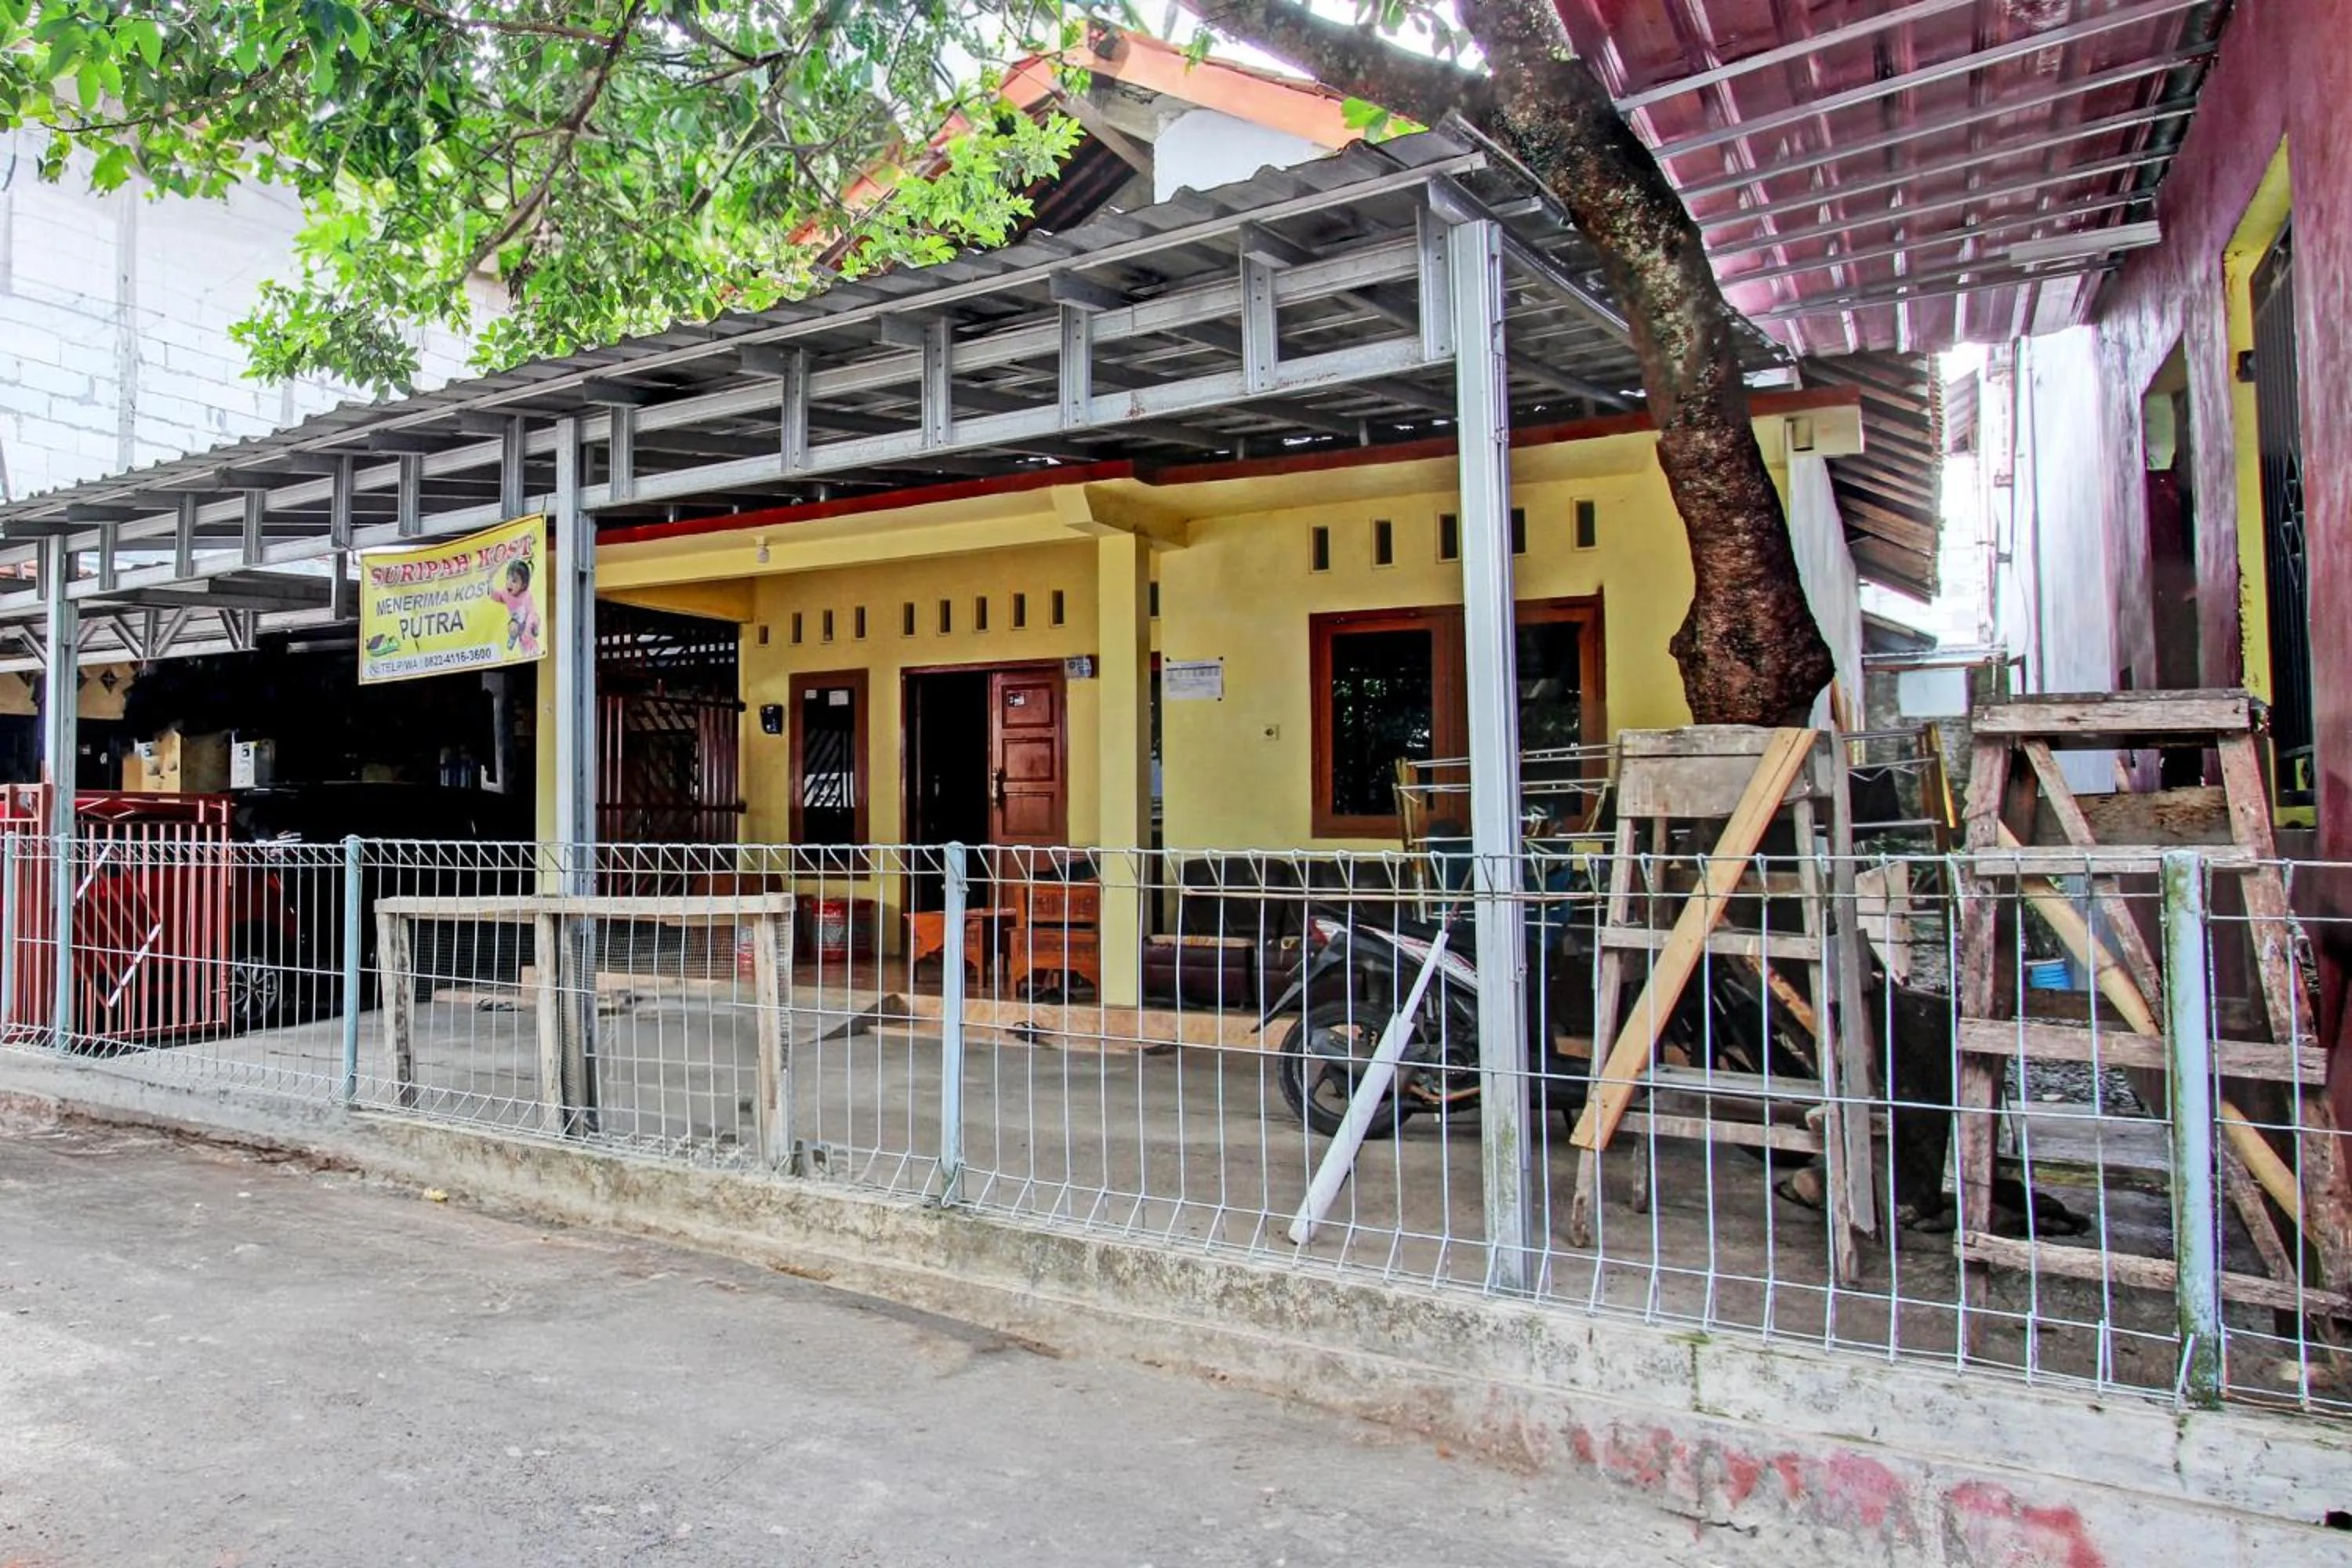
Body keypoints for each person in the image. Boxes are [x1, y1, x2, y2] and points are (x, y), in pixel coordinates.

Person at [488, 557, 542, 657]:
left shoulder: (526, 595)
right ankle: (513, 637)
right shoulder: (505, 593)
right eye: (507, 578)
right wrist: (490, 579)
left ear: (523, 585)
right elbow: (494, 596)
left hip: (529, 618)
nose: (509, 583)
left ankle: (535, 631)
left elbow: (531, 612)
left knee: (536, 621)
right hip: (517, 620)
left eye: (514, 581)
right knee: (513, 627)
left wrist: (529, 627)